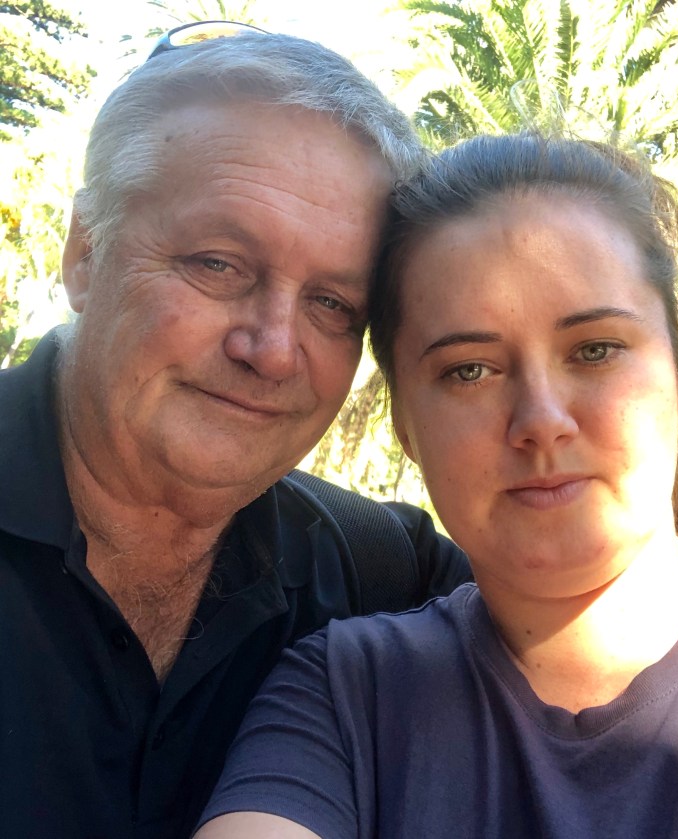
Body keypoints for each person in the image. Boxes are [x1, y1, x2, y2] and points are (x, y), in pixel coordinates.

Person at [0, 23, 472, 839]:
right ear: (84, 254)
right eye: (217, 264)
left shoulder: (381, 576)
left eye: (332, 304)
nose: (272, 349)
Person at [194, 132, 678, 839]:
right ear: (405, 425)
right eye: (469, 370)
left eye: (595, 350)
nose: (541, 421)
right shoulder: (346, 694)